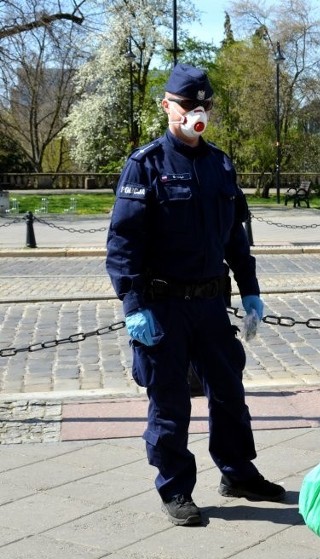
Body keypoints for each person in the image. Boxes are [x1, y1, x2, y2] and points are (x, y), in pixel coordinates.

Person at [105, 64, 285, 527]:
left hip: (210, 305)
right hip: (162, 307)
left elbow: (235, 240)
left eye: (203, 106)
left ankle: (238, 473)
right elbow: (123, 245)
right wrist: (132, 305)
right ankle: (175, 488)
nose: (196, 113)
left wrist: (251, 293)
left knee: (228, 393)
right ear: (167, 106)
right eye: (187, 105)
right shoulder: (145, 165)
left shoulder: (219, 164)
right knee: (169, 401)